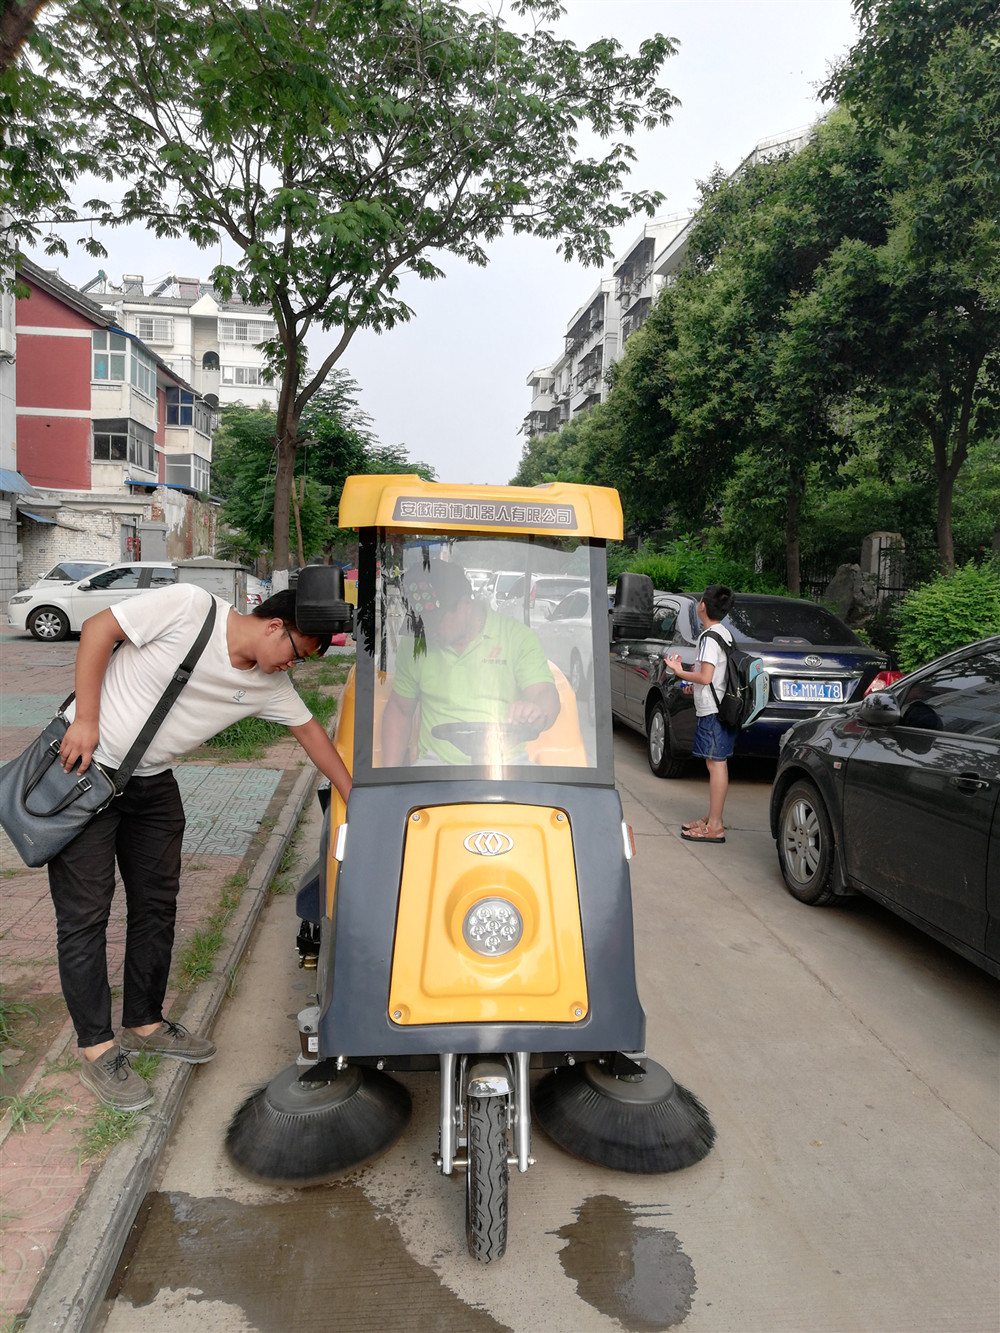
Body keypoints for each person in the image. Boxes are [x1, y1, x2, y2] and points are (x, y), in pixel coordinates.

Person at [52, 581, 353, 1112]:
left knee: (156, 905)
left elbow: (312, 736)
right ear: (274, 625)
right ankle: (97, 1048)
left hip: (151, 785)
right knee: (85, 915)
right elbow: (100, 628)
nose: (292, 668)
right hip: (87, 770)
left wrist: (359, 798)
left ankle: (145, 1022)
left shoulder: (269, 686)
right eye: (296, 654)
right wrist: (86, 718)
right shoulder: (189, 606)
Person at [381, 560, 560, 767]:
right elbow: (401, 710)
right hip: (436, 765)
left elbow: (545, 694)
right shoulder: (415, 643)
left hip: (507, 764)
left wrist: (536, 710)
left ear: (465, 605)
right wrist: (389, 777)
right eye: (420, 622)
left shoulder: (517, 637)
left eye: (435, 621)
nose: (427, 631)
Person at [664, 584, 737, 844]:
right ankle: (711, 817)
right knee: (717, 763)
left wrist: (678, 670)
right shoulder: (724, 633)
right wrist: (689, 684)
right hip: (722, 707)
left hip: (713, 710)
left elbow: (706, 677)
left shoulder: (709, 637)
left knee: (716, 765)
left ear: (703, 606)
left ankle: (715, 826)